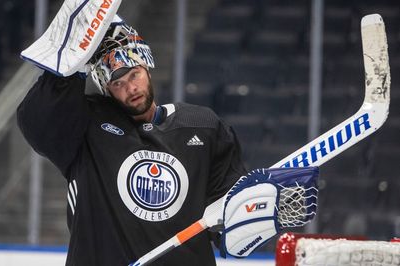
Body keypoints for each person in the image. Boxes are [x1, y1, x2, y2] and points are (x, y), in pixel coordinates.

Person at [17, 20, 247, 266]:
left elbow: (230, 218)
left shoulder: (204, 126)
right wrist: (71, 65)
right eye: (117, 83)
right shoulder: (86, 124)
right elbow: (35, 121)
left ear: (146, 66)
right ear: (106, 88)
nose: (131, 88)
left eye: (133, 74)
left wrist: (245, 218)